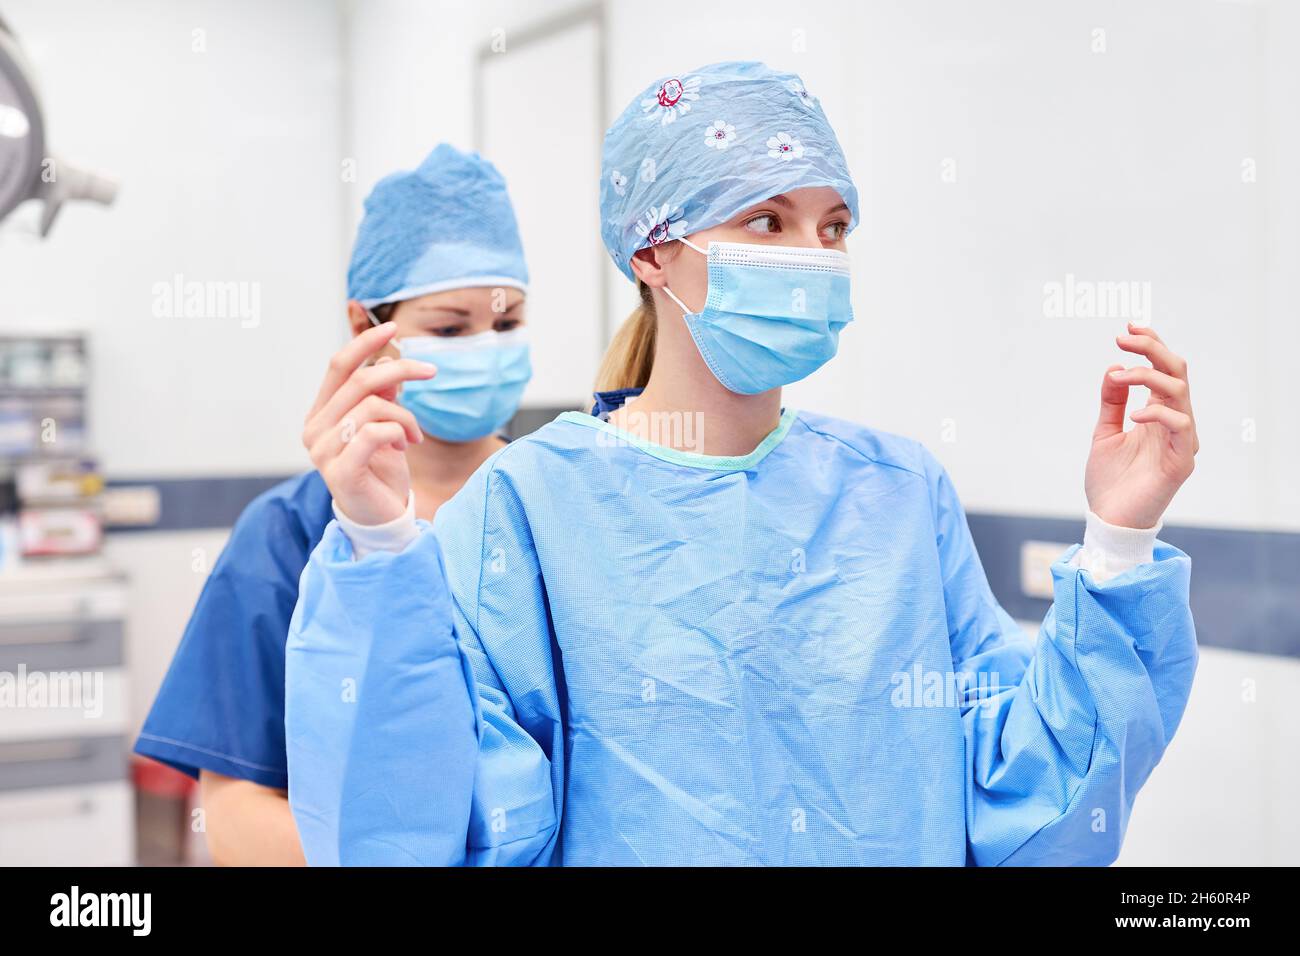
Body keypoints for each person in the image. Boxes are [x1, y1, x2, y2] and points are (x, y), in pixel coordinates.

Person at [285, 62, 1200, 866]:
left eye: (834, 227)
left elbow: (1027, 800)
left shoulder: (897, 492)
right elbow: (424, 827)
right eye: (768, 221)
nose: (812, 256)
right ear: (652, 252)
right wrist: (377, 536)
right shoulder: (527, 509)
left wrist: (1120, 537)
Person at [134, 144, 533, 865]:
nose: (487, 347)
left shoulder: (553, 502)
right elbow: (233, 820)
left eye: (506, 325)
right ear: (364, 327)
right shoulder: (287, 534)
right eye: (449, 328)